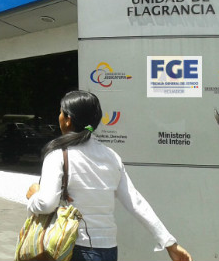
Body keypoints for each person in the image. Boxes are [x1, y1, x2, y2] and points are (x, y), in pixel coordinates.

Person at [25, 90, 192, 261]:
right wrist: (169, 243)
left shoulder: (58, 155)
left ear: (68, 119)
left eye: (61, 112)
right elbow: (136, 202)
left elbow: (46, 204)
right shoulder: (111, 156)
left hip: (71, 247)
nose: (59, 116)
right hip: (108, 250)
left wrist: (33, 197)